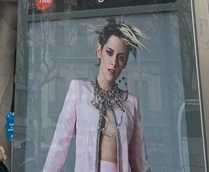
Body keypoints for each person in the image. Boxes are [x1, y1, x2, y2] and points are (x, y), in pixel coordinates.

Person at [44, 17, 150, 172]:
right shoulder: (79, 91)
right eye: (109, 52)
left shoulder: (131, 103)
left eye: (120, 57)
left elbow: (140, 161)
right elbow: (58, 146)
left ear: (125, 62)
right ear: (99, 51)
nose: (113, 62)